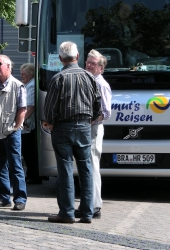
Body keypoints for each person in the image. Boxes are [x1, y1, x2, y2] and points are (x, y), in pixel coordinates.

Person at [43, 41, 102, 224]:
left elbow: (50, 108)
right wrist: (89, 119)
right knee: (86, 169)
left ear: (61, 59)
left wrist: (50, 123)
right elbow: (98, 106)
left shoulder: (58, 78)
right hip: (84, 127)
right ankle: (86, 212)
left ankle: (67, 212)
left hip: (63, 128)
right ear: (77, 57)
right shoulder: (89, 77)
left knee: (65, 169)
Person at [0, 55, 27, 211]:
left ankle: (20, 199)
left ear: (9, 67)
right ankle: (4, 197)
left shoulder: (17, 86)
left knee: (15, 165)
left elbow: (22, 109)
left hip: (10, 132)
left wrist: (15, 127)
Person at [78, 49, 112, 219]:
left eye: (93, 63)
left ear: (101, 68)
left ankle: (95, 206)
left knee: (92, 167)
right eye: (88, 62)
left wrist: (87, 122)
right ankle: (88, 204)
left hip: (93, 129)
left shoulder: (101, 84)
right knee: (87, 167)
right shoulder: (89, 81)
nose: (89, 65)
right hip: (87, 129)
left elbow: (105, 112)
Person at [20, 63, 41, 185]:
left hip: (29, 123)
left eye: (24, 74)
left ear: (31, 74)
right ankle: (31, 174)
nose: (22, 76)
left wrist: (22, 120)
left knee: (29, 151)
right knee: (28, 151)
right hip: (28, 122)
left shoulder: (31, 86)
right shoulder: (29, 84)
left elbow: (31, 106)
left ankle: (33, 175)